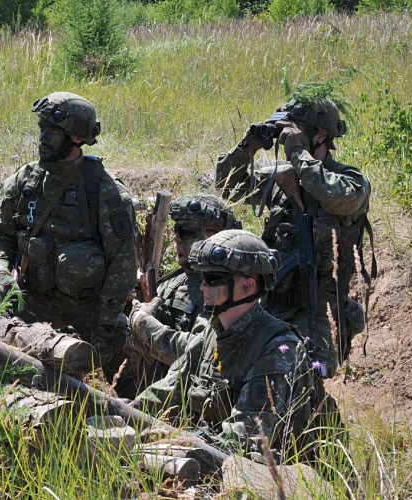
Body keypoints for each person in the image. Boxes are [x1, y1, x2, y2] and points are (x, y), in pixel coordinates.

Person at [0, 91, 139, 397]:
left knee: (129, 374)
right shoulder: (25, 181)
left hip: (91, 313)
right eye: (42, 130)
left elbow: (123, 265)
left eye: (53, 133)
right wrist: (3, 274)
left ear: (77, 139)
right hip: (33, 302)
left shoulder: (106, 193)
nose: (43, 139)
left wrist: (106, 326)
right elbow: (0, 237)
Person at [215, 97, 373, 381]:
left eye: (295, 130)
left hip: (320, 309)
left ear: (320, 135)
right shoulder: (281, 178)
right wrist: (248, 145)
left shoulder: (350, 181)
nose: (287, 138)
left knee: (307, 368)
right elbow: (227, 187)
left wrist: (298, 152)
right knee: (223, 355)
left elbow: (330, 193)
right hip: (271, 303)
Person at [133, 230, 314, 461]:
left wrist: (170, 442)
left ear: (247, 286)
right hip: (211, 458)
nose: (203, 288)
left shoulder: (277, 349)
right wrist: (121, 413)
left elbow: (242, 440)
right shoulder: (211, 331)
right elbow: (166, 392)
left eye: (213, 279)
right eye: (202, 279)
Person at [128, 193, 238, 384]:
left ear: (212, 235)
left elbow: (200, 354)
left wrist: (144, 325)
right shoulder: (173, 283)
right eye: (176, 230)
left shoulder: (227, 290)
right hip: (155, 398)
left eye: (186, 232)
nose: (177, 239)